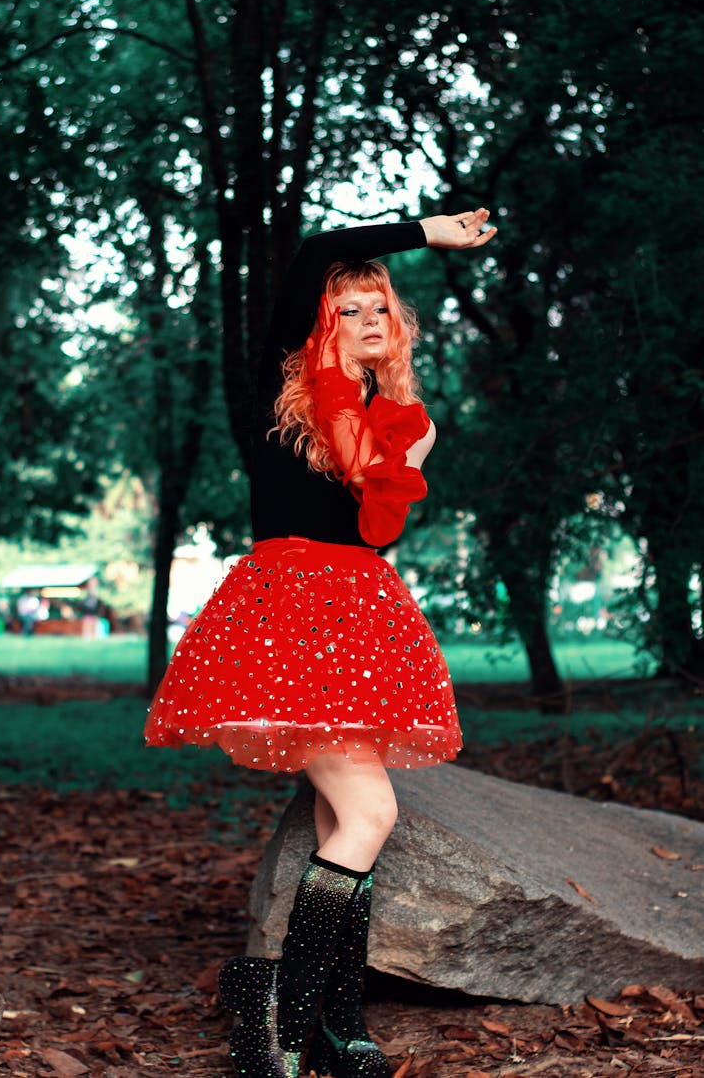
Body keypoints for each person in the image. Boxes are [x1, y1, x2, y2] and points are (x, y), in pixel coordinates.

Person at [144, 208, 497, 1078]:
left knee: (350, 817)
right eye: (351, 308)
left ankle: (338, 1021)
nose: (370, 320)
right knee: (373, 811)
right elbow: (312, 251)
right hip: (290, 612)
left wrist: (412, 446)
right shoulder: (284, 385)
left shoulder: (393, 417)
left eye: (381, 307)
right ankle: (275, 1023)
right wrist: (427, 233)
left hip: (361, 621)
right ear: (321, 318)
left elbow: (374, 537)